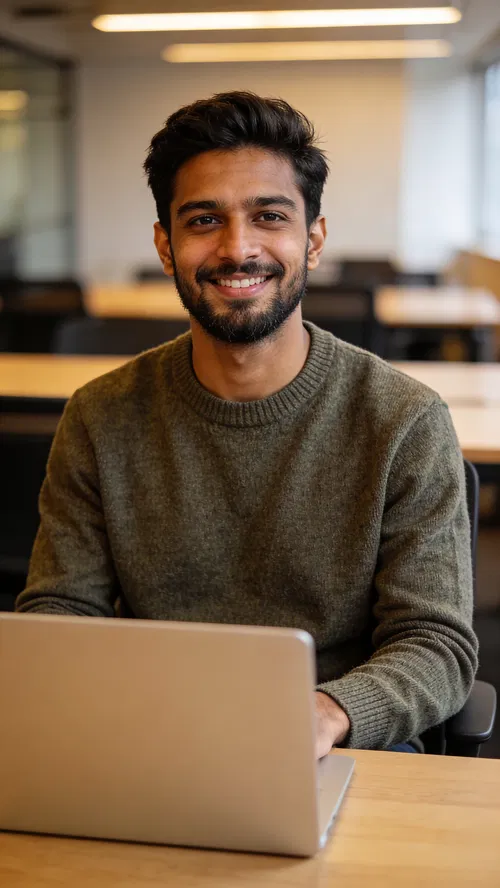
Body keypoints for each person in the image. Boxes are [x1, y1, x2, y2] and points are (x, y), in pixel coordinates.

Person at [16, 91, 478, 756]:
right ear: (166, 246)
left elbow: (436, 645)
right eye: (204, 220)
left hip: (340, 746)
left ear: (312, 240)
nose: (237, 249)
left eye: (269, 217)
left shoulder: (405, 421)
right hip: (149, 738)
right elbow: (61, 615)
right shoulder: (99, 415)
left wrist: (325, 714)